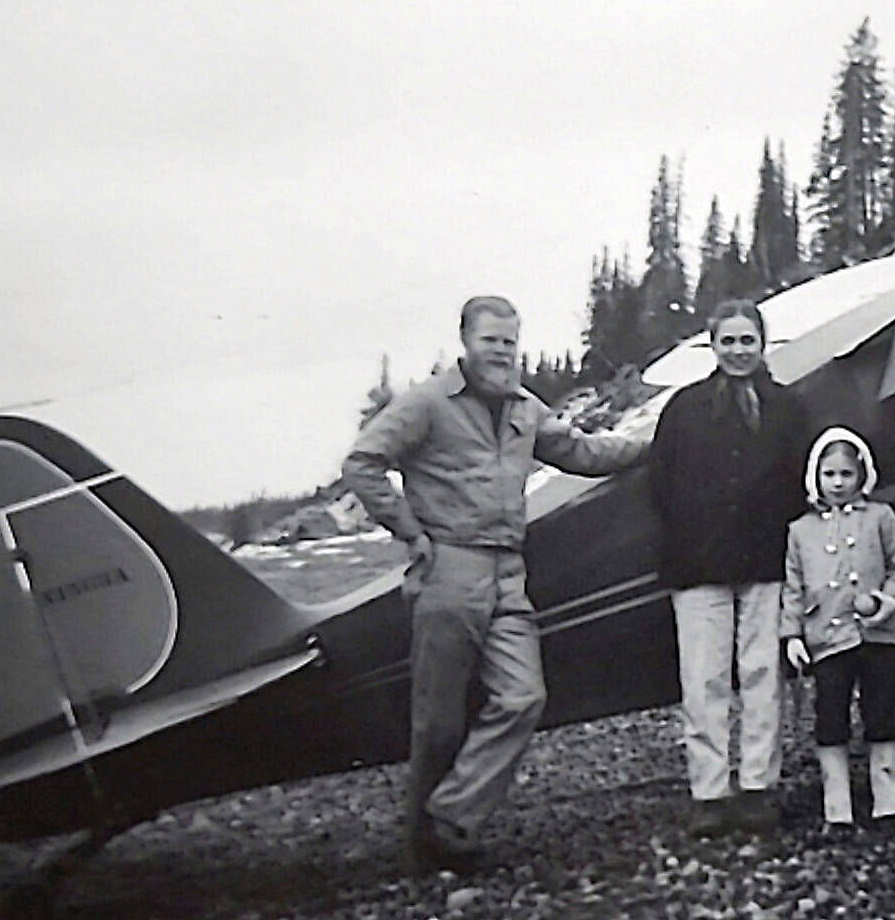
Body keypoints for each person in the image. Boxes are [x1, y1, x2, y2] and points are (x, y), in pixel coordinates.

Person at [344, 295, 648, 873]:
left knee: (523, 696)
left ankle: (450, 815)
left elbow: (579, 451)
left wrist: (654, 444)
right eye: (491, 341)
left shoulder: (523, 407)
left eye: (510, 341)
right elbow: (362, 461)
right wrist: (409, 533)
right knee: (438, 720)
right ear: (466, 341)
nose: (502, 352)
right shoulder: (428, 403)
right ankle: (427, 850)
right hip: (448, 568)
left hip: (508, 573)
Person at [648, 299, 811, 837]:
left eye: (748, 341)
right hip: (697, 562)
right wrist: (691, 534)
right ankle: (710, 793)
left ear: (764, 344)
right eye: (728, 341)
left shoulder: (788, 407)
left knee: (764, 674)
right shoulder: (683, 409)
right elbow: (661, 485)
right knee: (704, 679)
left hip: (768, 559)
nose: (738, 351)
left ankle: (759, 787)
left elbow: (800, 481)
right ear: (711, 345)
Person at [781, 427, 895, 828]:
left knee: (882, 710)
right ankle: (836, 801)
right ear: (815, 477)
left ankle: (887, 793)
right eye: (829, 475)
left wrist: (888, 601)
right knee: (830, 715)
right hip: (826, 640)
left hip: (879, 635)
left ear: (862, 475)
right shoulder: (800, 531)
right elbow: (792, 586)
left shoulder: (881, 517)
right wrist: (791, 635)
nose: (838, 483)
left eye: (846, 474)